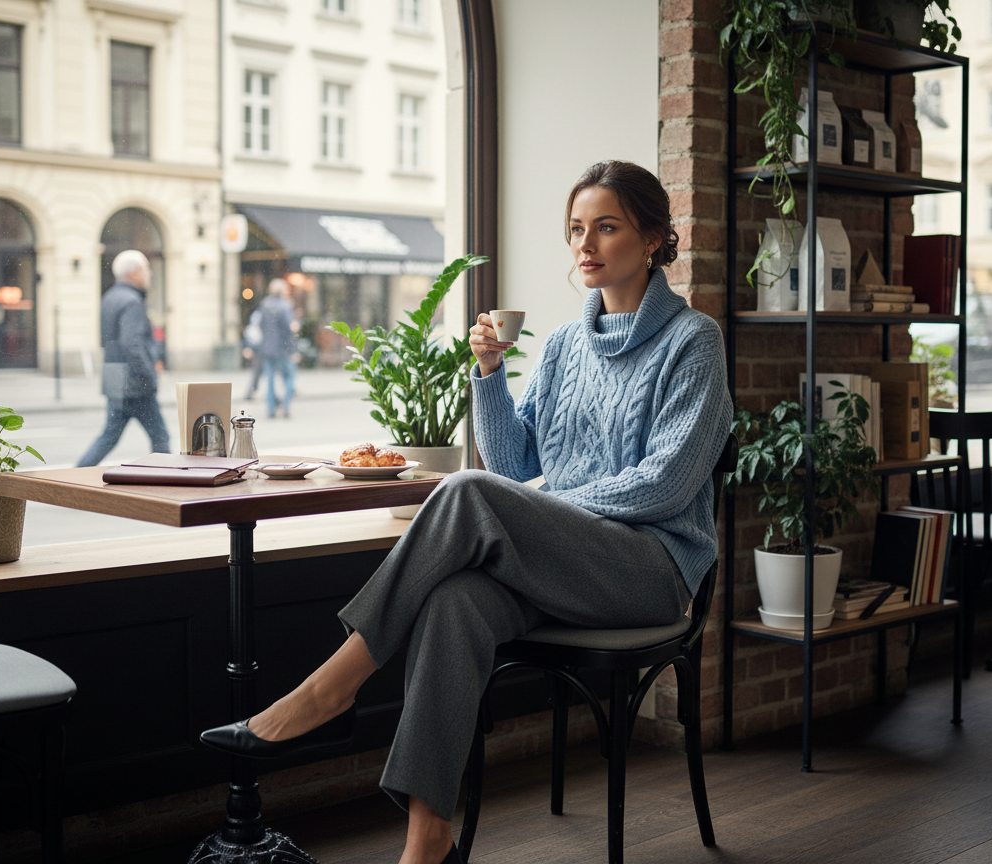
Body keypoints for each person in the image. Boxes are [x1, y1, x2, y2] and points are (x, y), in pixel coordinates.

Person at [199, 161, 732, 864]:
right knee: (457, 599)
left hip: (650, 570)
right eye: (577, 228)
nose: (586, 244)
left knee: (464, 493)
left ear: (657, 236)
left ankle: (330, 688)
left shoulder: (694, 342)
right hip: (565, 563)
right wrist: (488, 375)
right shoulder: (568, 345)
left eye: (607, 226)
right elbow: (512, 467)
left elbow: (663, 488)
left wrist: (541, 508)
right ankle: (429, 844)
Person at [77, 250, 171, 466]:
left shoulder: (110, 297)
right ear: (135, 273)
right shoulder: (132, 301)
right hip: (136, 384)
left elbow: (112, 341)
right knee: (160, 438)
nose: (150, 274)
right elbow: (132, 344)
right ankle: (167, 483)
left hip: (115, 379)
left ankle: (72, 479)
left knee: (108, 437)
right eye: (147, 269)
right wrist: (149, 375)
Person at [257, 279, 299, 418]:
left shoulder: (264, 304)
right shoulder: (285, 306)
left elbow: (260, 325)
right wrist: (293, 350)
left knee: (269, 380)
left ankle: (271, 409)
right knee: (288, 376)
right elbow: (288, 330)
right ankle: (286, 407)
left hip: (266, 348)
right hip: (282, 348)